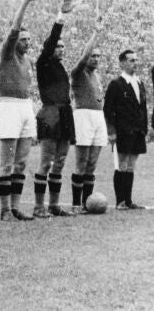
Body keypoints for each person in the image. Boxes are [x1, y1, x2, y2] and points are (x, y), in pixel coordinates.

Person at [33, 0, 76, 218]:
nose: (60, 49)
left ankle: (54, 205)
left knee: (59, 162)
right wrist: (61, 17)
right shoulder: (43, 63)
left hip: (65, 113)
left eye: (62, 47)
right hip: (50, 112)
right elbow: (52, 41)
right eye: (57, 47)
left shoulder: (60, 68)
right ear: (49, 49)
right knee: (47, 162)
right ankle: (39, 207)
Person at [0, 0, 36, 221]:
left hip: (25, 107)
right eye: (23, 39)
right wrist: (25, 4)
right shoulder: (7, 54)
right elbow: (13, 30)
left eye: (29, 40)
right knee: (7, 161)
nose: (27, 43)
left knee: (21, 163)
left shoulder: (29, 61)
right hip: (9, 107)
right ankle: (4, 210)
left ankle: (15, 206)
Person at [70, 16, 106, 213]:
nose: (96, 59)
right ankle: (76, 204)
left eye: (98, 56)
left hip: (97, 118)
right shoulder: (78, 72)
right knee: (81, 162)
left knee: (92, 163)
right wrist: (96, 32)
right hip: (83, 116)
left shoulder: (97, 76)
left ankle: (87, 203)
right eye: (93, 55)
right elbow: (83, 57)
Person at [104, 50, 147, 210]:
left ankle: (128, 200)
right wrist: (111, 130)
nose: (135, 63)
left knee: (131, 166)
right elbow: (108, 109)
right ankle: (120, 201)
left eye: (136, 60)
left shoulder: (139, 82)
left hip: (137, 131)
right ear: (122, 63)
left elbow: (142, 107)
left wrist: (144, 127)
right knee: (121, 164)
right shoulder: (116, 84)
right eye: (131, 60)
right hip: (123, 131)